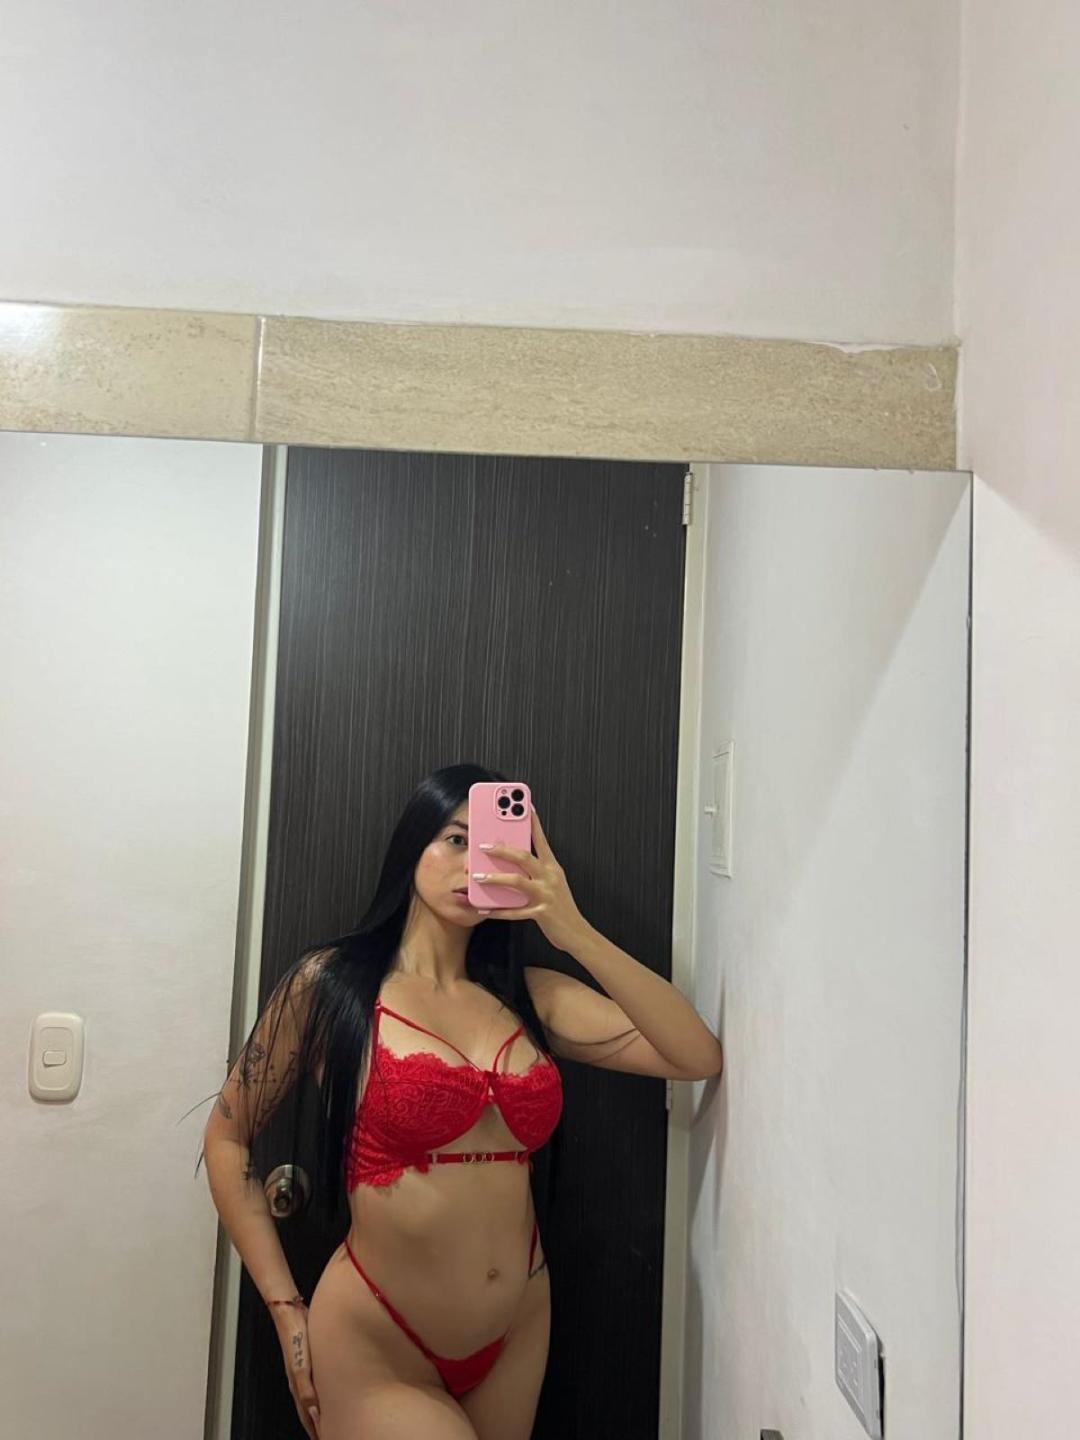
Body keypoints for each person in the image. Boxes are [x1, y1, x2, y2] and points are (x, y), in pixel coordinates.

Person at [202, 764, 723, 1440]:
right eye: (455, 839)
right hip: (379, 1338)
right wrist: (284, 1310)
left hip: (518, 1329)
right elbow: (227, 1139)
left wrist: (574, 932)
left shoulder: (531, 996)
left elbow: (695, 1056)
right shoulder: (330, 987)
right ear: (411, 846)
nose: (475, 860)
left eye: (496, 845)